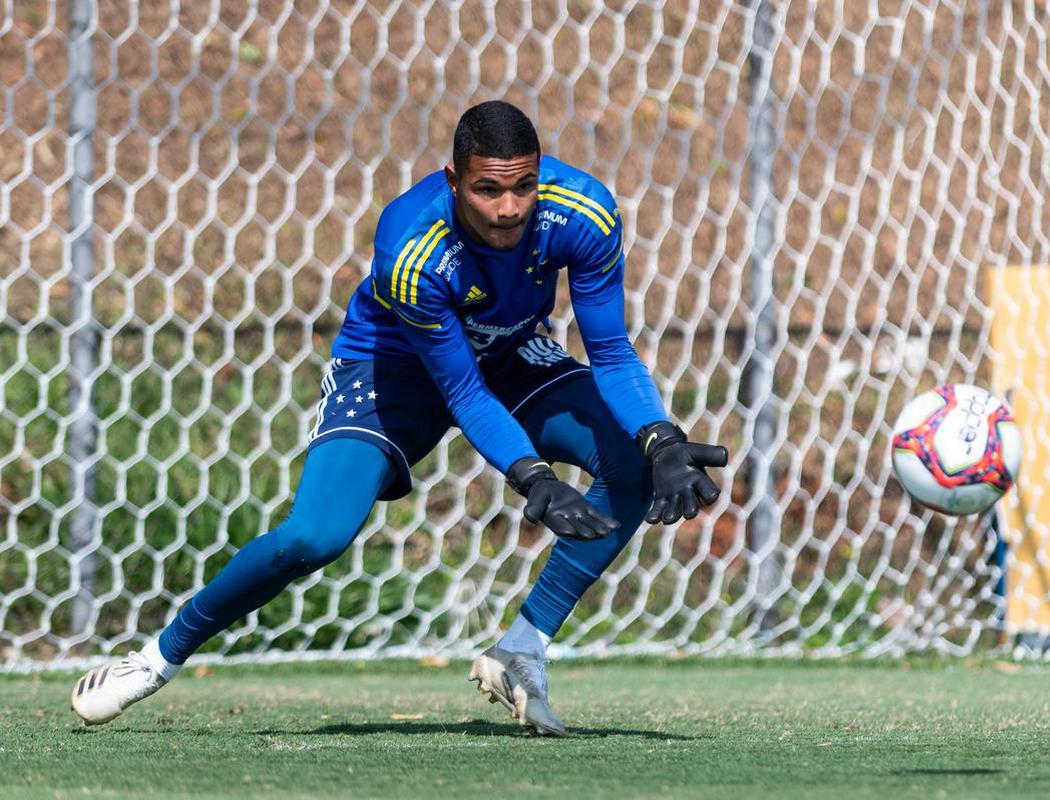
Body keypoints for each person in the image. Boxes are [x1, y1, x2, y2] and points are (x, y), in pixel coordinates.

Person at [71, 100, 727, 736]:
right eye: (487, 190)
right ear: (453, 181)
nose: (508, 208)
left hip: (508, 351)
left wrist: (659, 435)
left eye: (524, 186)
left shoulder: (582, 213)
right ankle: (156, 659)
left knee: (633, 465)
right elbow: (462, 394)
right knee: (313, 538)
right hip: (395, 369)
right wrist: (533, 476)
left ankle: (521, 650)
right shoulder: (412, 246)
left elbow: (609, 350)